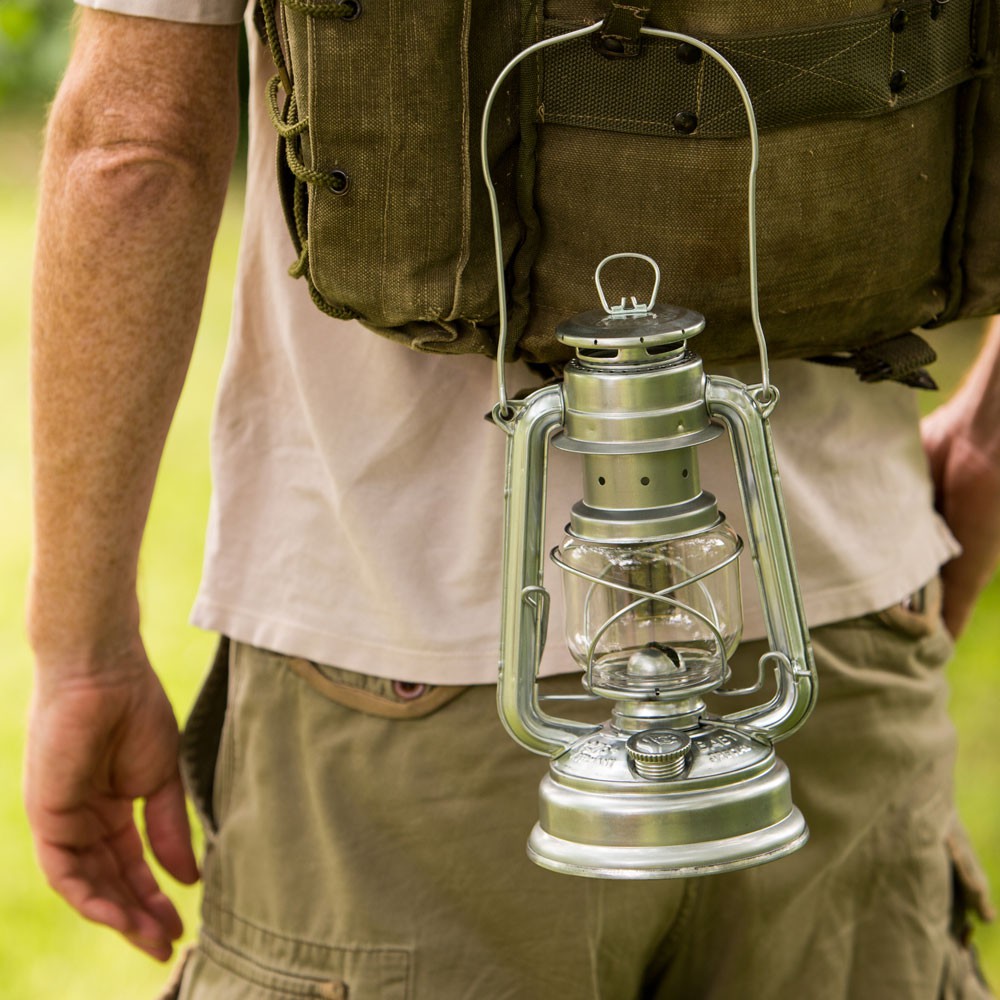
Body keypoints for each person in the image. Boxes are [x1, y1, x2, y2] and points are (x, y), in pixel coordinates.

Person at [25, 3, 1000, 997]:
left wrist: (82, 653)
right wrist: (985, 445)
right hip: (835, 631)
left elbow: (132, 149)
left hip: (401, 657)